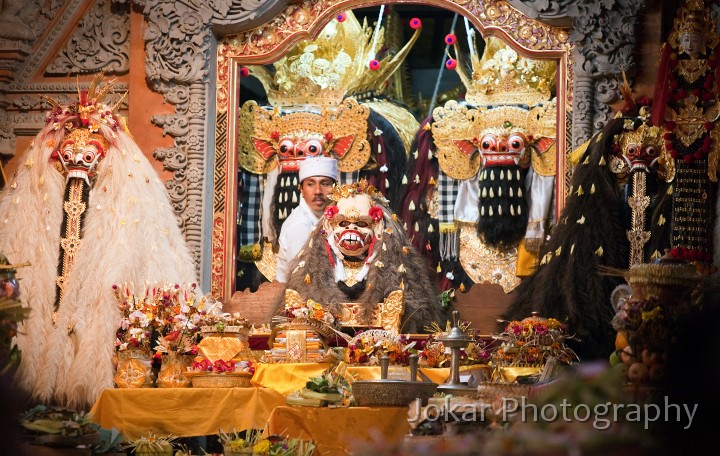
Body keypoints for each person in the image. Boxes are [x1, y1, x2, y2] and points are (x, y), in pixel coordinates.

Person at [279, 179, 446, 333]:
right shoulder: (314, 268)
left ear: (378, 228)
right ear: (330, 226)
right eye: (342, 223)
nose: (351, 230)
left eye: (362, 224)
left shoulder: (394, 268)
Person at [275, 156, 338, 283]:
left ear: (336, 188)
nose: (318, 191)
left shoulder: (333, 217)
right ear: (301, 190)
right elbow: (304, 277)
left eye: (325, 183)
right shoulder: (299, 225)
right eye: (310, 184)